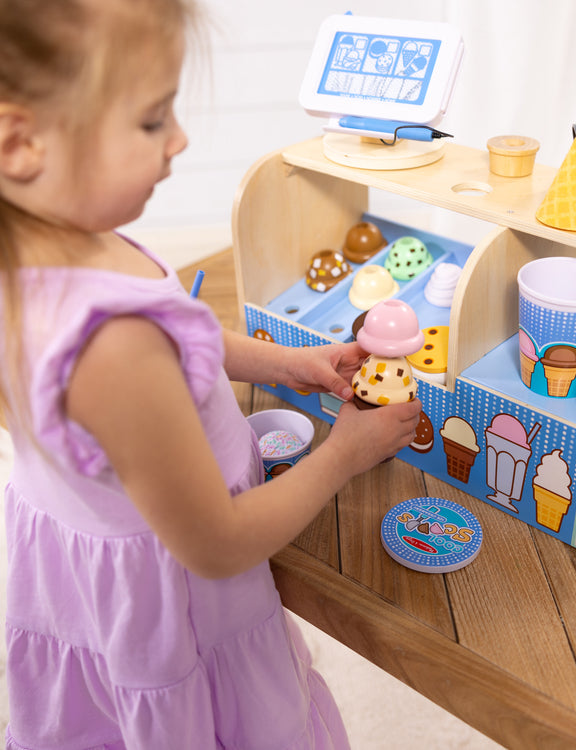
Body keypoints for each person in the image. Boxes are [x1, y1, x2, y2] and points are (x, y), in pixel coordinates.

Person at [0, 0, 422, 746]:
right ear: (20, 144)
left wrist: (290, 363)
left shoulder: (57, 245)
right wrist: (343, 456)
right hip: (180, 596)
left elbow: (184, 329)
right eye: (153, 118)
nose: (181, 139)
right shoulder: (112, 348)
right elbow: (218, 542)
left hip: (80, 575)